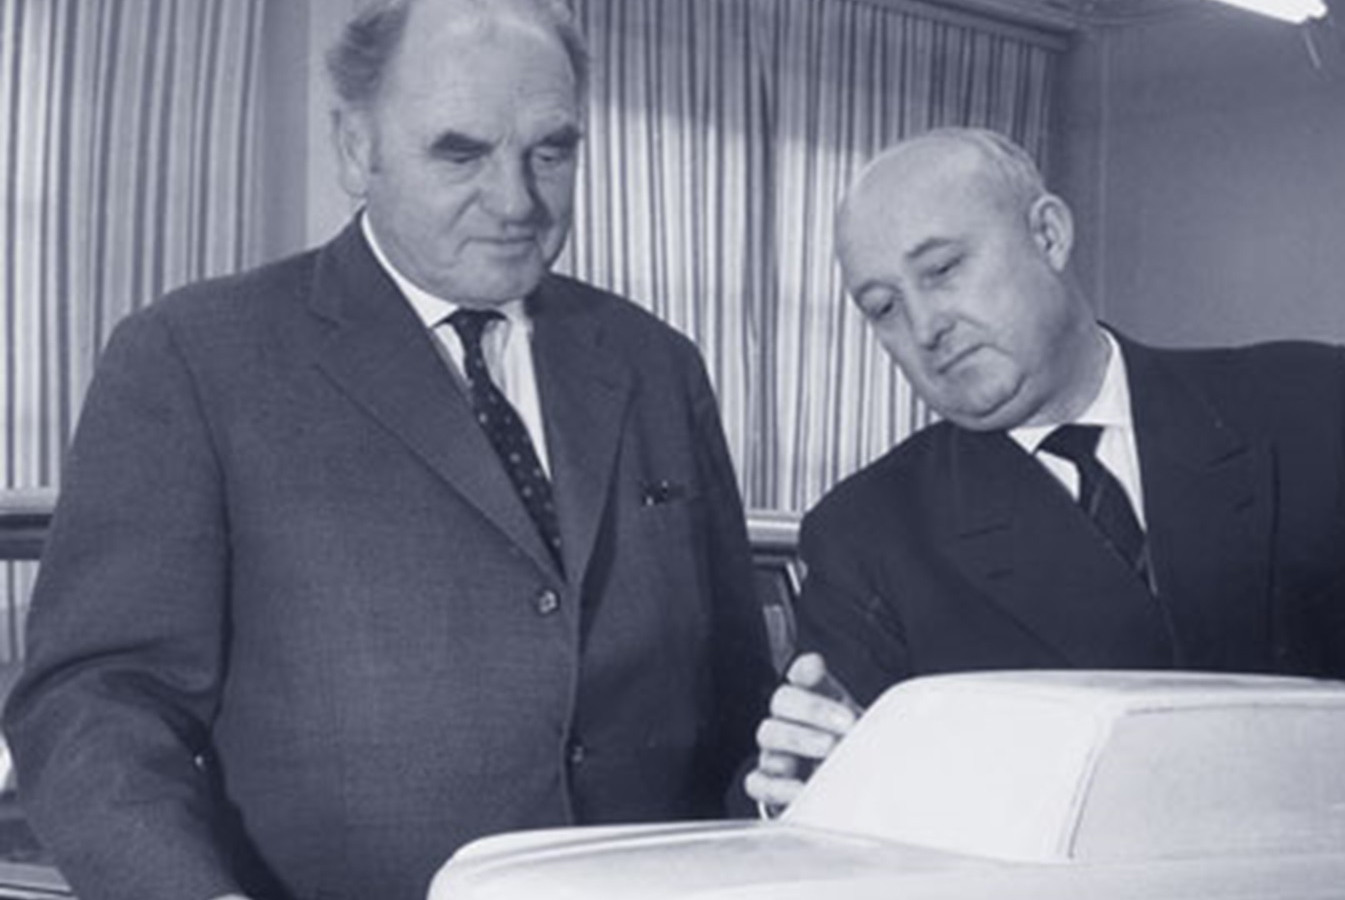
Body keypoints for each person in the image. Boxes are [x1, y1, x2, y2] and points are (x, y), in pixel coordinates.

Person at [2, 1, 774, 898]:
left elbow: (737, 702)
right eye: (461, 153)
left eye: (551, 152)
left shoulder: (656, 364)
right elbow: (96, 699)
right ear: (355, 149)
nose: (516, 201)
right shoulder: (197, 357)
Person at [746, 127, 1345, 821]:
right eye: (884, 307)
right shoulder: (870, 531)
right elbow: (809, 790)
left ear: (1049, 235)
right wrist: (800, 791)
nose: (926, 325)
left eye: (942, 269)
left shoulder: (1309, 410)